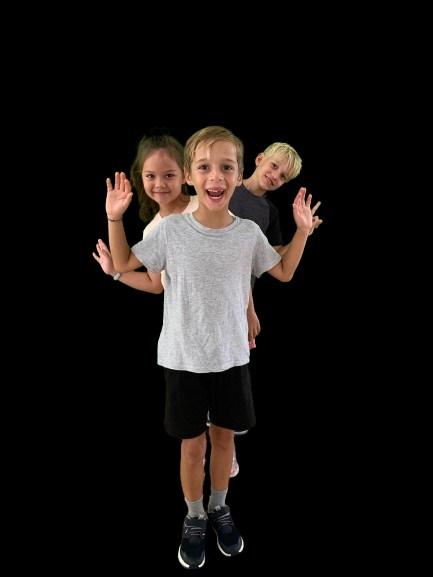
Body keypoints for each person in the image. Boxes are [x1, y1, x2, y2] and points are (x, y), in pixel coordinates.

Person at [104, 126, 314, 569]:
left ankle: (220, 506)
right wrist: (115, 218)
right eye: (204, 167)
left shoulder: (248, 233)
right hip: (183, 358)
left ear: (238, 175)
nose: (215, 176)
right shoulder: (170, 230)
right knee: (191, 447)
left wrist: (302, 232)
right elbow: (124, 263)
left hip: (231, 357)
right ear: (190, 176)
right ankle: (195, 515)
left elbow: (283, 273)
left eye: (225, 167)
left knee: (224, 441)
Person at [93, 131, 250, 478]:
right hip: (187, 333)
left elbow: (236, 260)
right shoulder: (154, 231)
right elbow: (154, 284)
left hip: (224, 323)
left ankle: (226, 450)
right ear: (141, 179)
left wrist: (249, 310)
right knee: (195, 410)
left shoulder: (205, 203)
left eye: (169, 175)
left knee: (224, 406)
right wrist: (116, 273)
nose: (160, 184)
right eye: (151, 176)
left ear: (186, 174)